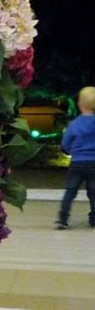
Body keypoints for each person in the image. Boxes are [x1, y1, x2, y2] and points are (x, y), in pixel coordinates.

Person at [55, 85, 95, 229]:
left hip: (77, 163)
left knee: (70, 191)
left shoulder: (74, 124)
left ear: (79, 104)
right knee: (93, 192)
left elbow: (65, 143)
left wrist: (68, 151)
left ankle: (63, 219)